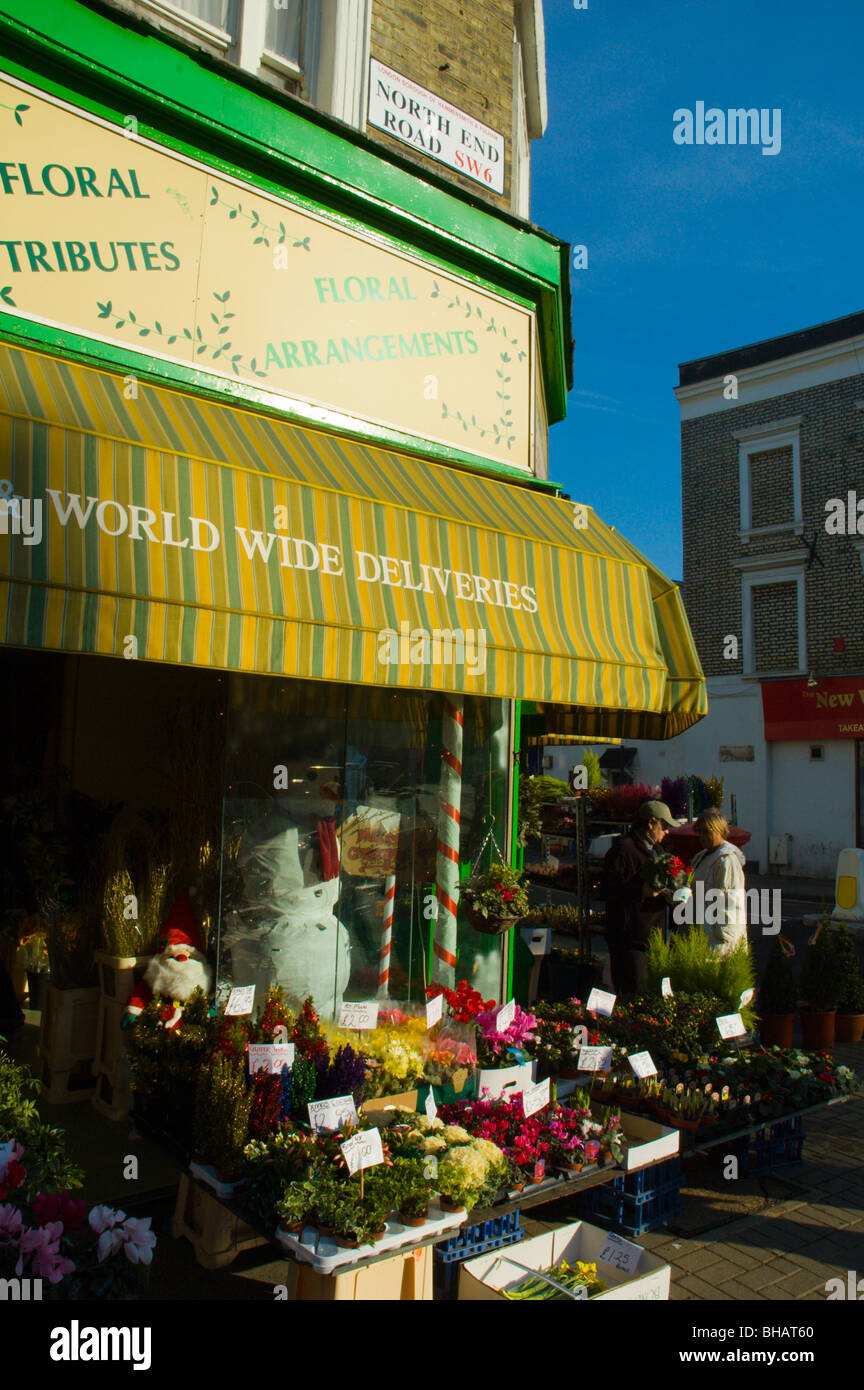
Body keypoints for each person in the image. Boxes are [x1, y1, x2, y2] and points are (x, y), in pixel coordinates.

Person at [602, 799, 678, 995]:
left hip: (655, 938)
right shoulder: (624, 851)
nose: (667, 831)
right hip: (630, 941)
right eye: (664, 826)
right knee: (634, 994)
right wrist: (639, 891)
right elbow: (609, 890)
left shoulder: (659, 850)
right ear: (651, 823)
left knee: (653, 996)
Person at [690, 809, 747, 954]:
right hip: (704, 928)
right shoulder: (702, 856)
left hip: (718, 938)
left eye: (707, 832)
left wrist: (723, 936)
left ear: (720, 831)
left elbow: (730, 900)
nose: (702, 836)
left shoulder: (727, 860)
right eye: (700, 832)